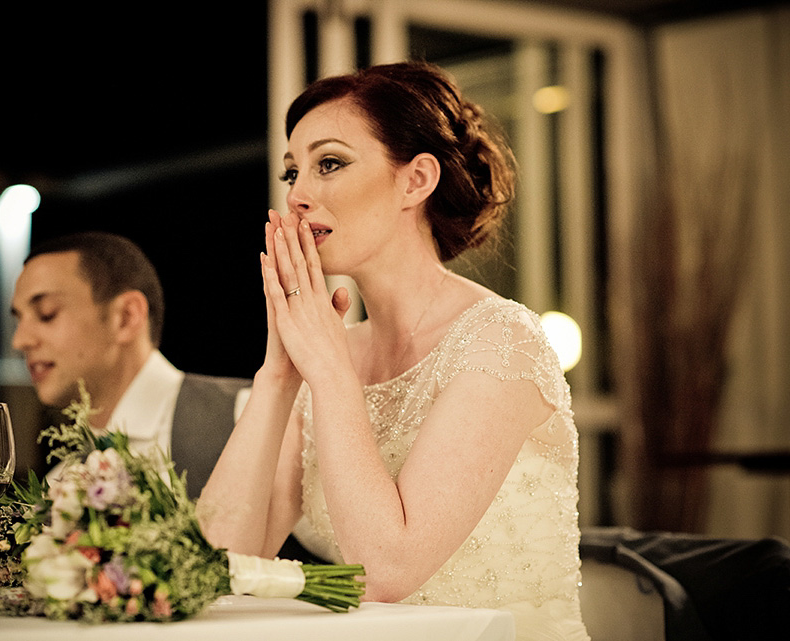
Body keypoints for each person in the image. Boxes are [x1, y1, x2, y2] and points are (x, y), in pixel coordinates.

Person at [198, 61, 590, 640]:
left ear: (416, 180)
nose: (299, 195)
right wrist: (279, 373)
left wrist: (328, 373)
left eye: (328, 163)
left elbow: (389, 570)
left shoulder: (500, 341)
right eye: (292, 173)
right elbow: (214, 558)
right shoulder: (328, 353)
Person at [9, 231, 250, 499]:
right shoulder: (57, 488)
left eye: (47, 314)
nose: (19, 340)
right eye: (19, 319)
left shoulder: (244, 417)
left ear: (126, 317)